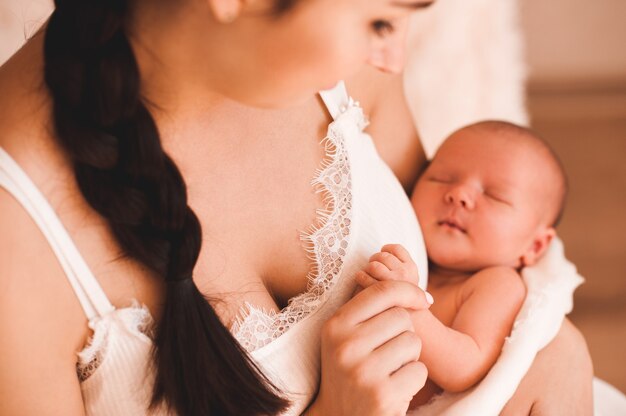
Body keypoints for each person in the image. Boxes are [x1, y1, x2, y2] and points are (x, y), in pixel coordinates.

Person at [0, 0, 592, 415]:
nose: (391, 54)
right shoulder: (18, 239)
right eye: (379, 20)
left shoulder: (344, 66)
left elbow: (467, 245)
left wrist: (548, 340)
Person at [358, 120, 568, 408]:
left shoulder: (497, 282)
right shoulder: (412, 253)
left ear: (534, 246)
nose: (459, 194)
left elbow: (465, 367)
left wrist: (409, 306)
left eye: (495, 196)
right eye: (442, 178)